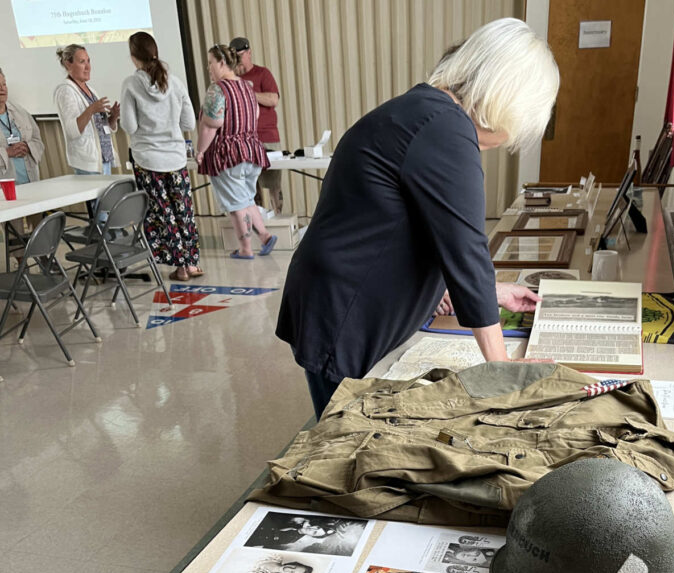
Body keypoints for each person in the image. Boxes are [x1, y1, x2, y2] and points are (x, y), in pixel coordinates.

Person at [276, 18, 559, 417]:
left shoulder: (425, 109)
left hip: (331, 294)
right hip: (344, 311)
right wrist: (500, 368)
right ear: (507, 97)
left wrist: (492, 291)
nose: (507, 140)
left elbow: (411, 226)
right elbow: (467, 252)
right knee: (346, 439)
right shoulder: (446, 128)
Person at [120, 32, 203, 282]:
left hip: (148, 160)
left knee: (162, 214)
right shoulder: (175, 82)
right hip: (176, 159)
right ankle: (191, 264)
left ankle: (179, 268)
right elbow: (188, 121)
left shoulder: (131, 85)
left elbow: (130, 127)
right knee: (183, 212)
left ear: (134, 57)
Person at [196, 43, 276, 259]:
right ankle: (266, 237)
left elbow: (213, 123)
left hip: (228, 154)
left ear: (222, 63)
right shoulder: (247, 87)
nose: (209, 68)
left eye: (211, 63)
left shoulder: (217, 89)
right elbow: (256, 115)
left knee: (236, 204)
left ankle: (246, 249)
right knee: (246, 199)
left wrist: (201, 150)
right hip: (251, 150)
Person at [230, 35, 283, 214]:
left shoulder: (262, 73)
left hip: (267, 138)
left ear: (249, 53)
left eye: (241, 55)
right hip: (244, 140)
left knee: (273, 183)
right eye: (234, 57)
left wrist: (249, 93)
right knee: (252, 186)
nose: (238, 60)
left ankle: (279, 217)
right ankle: (259, 220)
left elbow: (273, 99)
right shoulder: (231, 78)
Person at [54, 44, 118, 174]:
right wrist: (91, 110)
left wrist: (113, 117)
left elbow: (102, 127)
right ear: (68, 64)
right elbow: (72, 131)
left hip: (104, 159)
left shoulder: (91, 90)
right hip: (87, 163)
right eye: (82, 62)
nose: (88, 67)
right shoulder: (66, 91)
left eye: (88, 61)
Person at [0, 69, 44, 185]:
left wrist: (28, 147)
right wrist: (7, 152)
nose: (2, 89)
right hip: (4, 190)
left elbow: (38, 141)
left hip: (31, 182)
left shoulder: (20, 111)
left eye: (4, 84)